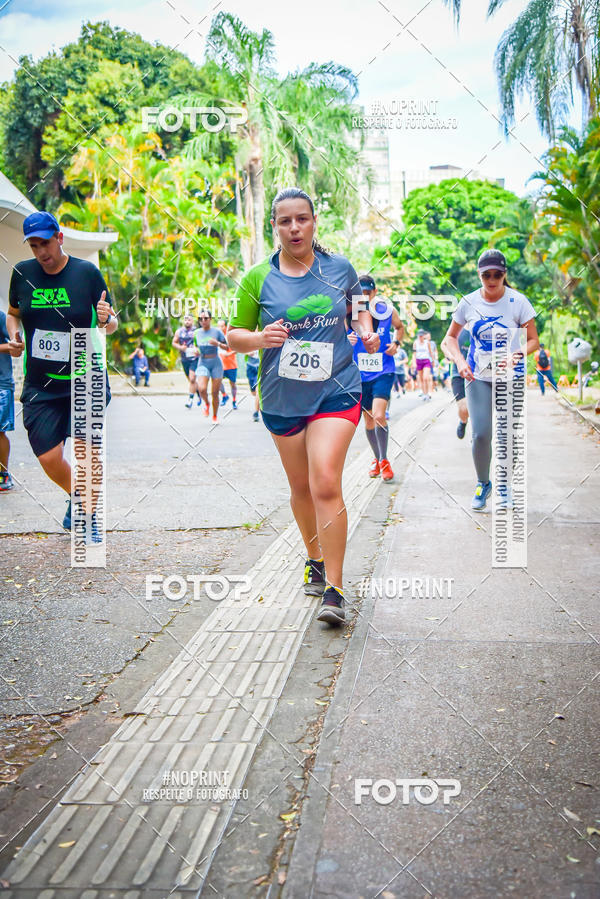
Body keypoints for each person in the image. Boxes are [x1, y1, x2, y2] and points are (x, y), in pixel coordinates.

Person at [227, 187, 378, 625]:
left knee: (325, 481)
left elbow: (359, 307)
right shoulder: (257, 278)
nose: (294, 228)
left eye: (302, 219)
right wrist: (260, 338)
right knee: (301, 488)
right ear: (273, 226)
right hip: (282, 397)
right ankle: (312, 555)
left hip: (337, 390)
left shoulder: (339, 268)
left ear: (314, 222)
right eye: (284, 221)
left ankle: (335, 588)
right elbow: (234, 335)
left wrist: (365, 329)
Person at [6, 211, 117, 530]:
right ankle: (77, 495)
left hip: (86, 375)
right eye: (34, 245)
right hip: (41, 383)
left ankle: (88, 517)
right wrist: (14, 334)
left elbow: (111, 324)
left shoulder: (86, 273)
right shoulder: (22, 273)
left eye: (46, 242)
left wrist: (106, 319)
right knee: (49, 457)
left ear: (60, 238)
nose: (42, 252)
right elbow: (13, 313)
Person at [442, 249, 539, 511]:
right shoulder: (469, 303)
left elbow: (533, 340)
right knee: (482, 433)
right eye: (487, 275)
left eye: (498, 274)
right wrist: (460, 362)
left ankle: (505, 486)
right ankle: (483, 483)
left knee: (506, 433)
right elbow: (449, 339)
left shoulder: (518, 302)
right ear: (479, 275)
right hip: (478, 376)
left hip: (511, 377)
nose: (492, 279)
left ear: (505, 275)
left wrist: (517, 354)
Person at [348, 275, 404, 481]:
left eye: (368, 292)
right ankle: (377, 458)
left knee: (380, 416)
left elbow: (400, 328)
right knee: (369, 420)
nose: (364, 296)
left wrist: (396, 344)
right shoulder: (350, 315)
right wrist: (348, 340)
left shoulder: (387, 311)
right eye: (360, 293)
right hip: (360, 375)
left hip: (383, 371)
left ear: (375, 292)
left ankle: (384, 459)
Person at [193, 310, 227, 423]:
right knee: (202, 389)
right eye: (200, 319)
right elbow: (195, 346)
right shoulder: (197, 333)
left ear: (210, 319)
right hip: (202, 362)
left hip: (216, 363)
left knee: (215, 393)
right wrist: (195, 351)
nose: (203, 321)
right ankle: (206, 403)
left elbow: (227, 347)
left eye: (206, 318)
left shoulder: (217, 332)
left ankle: (215, 416)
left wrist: (217, 343)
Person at [0, 308, 15, 491]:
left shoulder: (1, 316)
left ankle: (3, 474)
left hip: (1, 383)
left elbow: (16, 345)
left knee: (0, 430)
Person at [172, 314, 200, 408]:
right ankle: (199, 393)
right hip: (184, 359)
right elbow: (174, 343)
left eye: (189, 320)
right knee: (190, 380)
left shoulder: (196, 331)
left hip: (194, 358)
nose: (187, 321)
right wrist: (181, 347)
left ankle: (190, 400)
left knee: (192, 379)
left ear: (192, 321)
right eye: (185, 320)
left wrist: (198, 350)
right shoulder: (179, 331)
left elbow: (202, 342)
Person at [449, 328, 471, 439]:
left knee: (477, 409)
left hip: (477, 375)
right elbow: (445, 344)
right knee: (464, 408)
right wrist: (454, 357)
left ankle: (478, 436)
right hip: (459, 374)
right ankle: (463, 421)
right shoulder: (458, 326)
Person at [218, 319, 238, 408]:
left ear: (226, 326)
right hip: (220, 365)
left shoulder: (231, 337)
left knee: (232, 384)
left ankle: (234, 401)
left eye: (221, 326)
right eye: (218, 326)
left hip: (231, 364)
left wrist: (228, 354)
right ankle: (224, 396)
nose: (220, 328)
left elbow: (238, 349)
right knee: (217, 382)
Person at [411, 329, 434, 399]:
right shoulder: (415, 343)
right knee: (421, 379)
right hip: (418, 361)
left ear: (424, 336)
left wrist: (433, 361)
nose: (420, 337)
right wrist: (414, 362)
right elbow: (414, 354)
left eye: (421, 336)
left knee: (425, 378)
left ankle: (427, 393)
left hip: (426, 361)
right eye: (419, 336)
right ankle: (424, 393)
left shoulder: (427, 343)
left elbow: (430, 352)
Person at [245, 350, 260, 421]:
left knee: (258, 388)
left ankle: (256, 412)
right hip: (250, 365)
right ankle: (258, 400)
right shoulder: (248, 338)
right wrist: (247, 352)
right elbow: (241, 348)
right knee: (253, 391)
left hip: (260, 365)